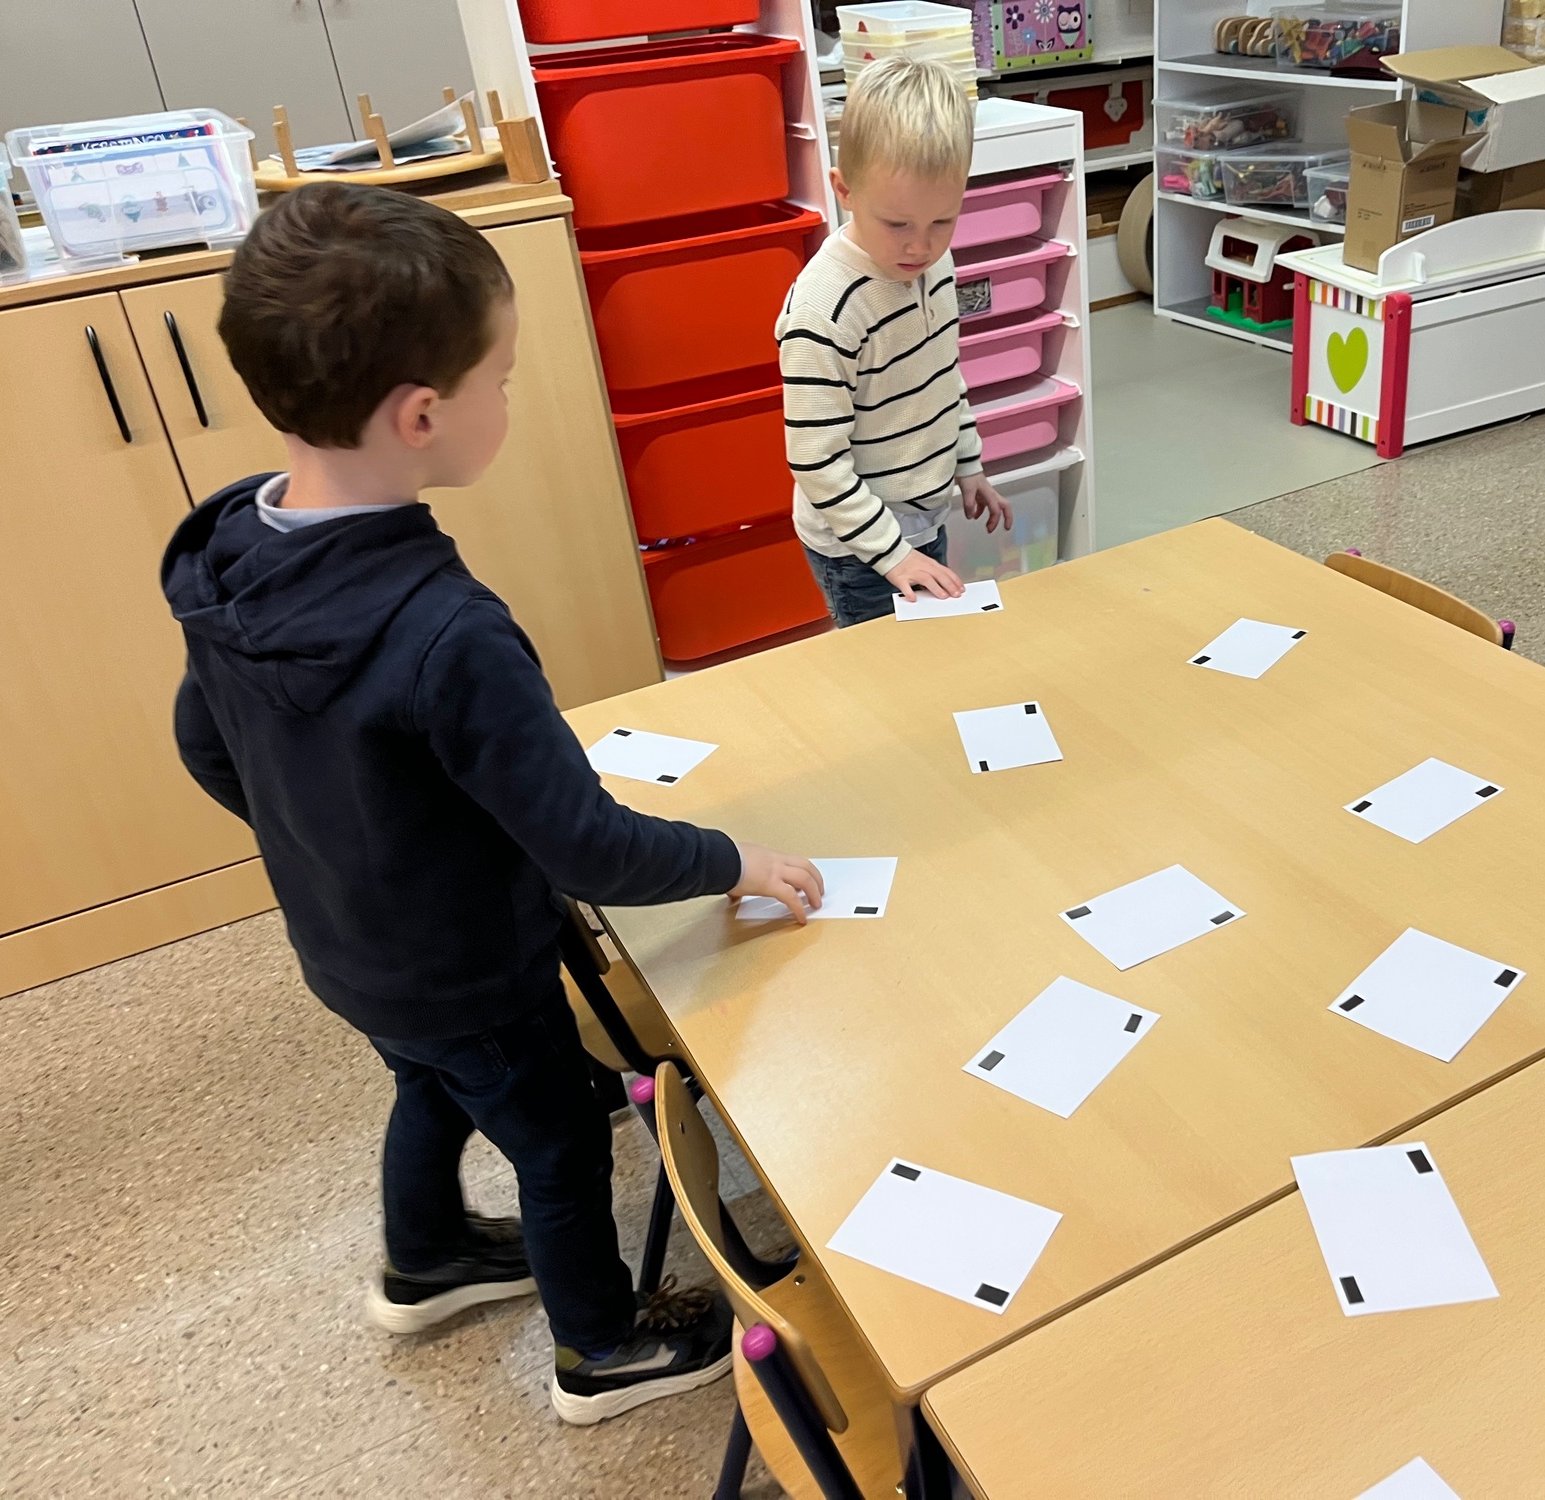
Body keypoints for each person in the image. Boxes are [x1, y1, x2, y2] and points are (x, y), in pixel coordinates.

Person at [160, 183, 824, 1426]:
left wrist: (339, 844)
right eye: (501, 379)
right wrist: (733, 858)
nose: (507, 397)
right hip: (468, 964)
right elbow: (587, 847)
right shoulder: (448, 634)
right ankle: (599, 1351)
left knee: (427, 1081)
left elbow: (207, 746)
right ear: (422, 415)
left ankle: (424, 1259)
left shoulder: (234, 552)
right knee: (558, 1138)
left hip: (347, 949)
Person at [779, 55, 1013, 627]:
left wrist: (968, 465)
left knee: (930, 651)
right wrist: (892, 553)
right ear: (845, 190)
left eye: (942, 222)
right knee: (886, 668)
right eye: (898, 224)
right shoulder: (825, 310)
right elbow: (815, 460)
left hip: (923, 517)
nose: (920, 247)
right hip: (858, 546)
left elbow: (942, 376)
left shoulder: (934, 266)